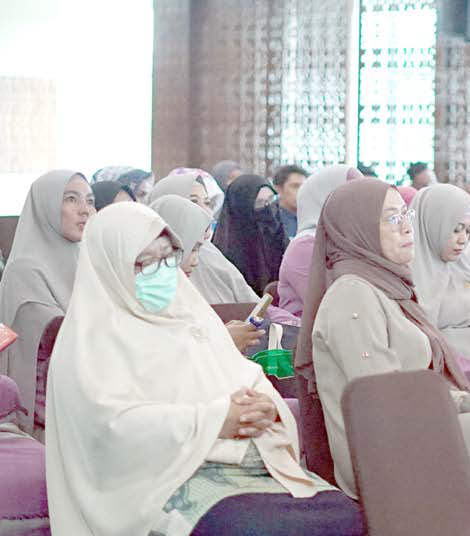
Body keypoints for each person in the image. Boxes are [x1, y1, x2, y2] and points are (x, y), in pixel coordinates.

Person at [44, 203, 363, 535]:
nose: (163, 271)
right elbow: (109, 430)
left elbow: (243, 374)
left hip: (241, 461)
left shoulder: (190, 313)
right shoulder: (89, 341)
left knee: (341, 514)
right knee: (250, 527)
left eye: (169, 258)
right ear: (109, 266)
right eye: (145, 263)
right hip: (161, 479)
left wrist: (265, 408)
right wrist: (215, 420)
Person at [295, 178, 470, 534]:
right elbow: (384, 401)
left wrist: (468, 400)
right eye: (391, 219)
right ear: (358, 230)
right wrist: (468, 403)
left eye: (405, 214)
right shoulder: (353, 296)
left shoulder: (385, 287)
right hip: (391, 448)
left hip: (420, 425)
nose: (407, 226)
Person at [0, 170, 94, 436]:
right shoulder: (25, 269)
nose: (84, 210)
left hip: (89, 398)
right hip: (49, 414)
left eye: (90, 200)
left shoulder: (85, 259)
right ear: (46, 206)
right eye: (71, 199)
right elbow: (55, 335)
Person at [149, 173, 297, 326]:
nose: (205, 211)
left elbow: (253, 303)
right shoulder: (154, 276)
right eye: (193, 201)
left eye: (207, 203)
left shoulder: (210, 253)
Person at [151, 195, 265, 353]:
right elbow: (168, 359)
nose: (196, 261)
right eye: (192, 248)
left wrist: (221, 333)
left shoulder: (181, 291)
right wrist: (223, 341)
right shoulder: (150, 300)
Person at [411, 184, 470, 381]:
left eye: (468, 231)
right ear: (432, 225)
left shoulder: (467, 270)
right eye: (456, 230)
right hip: (451, 383)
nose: (463, 240)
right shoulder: (410, 278)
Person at [278, 165, 362, 318]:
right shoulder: (305, 246)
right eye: (350, 197)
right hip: (306, 336)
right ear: (326, 199)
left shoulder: (346, 240)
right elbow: (333, 305)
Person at [214, 175, 288, 295]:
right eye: (259, 203)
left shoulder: (281, 242)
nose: (268, 208)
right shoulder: (223, 258)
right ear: (241, 208)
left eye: (271, 200)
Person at [273, 164, 309, 240]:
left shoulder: (312, 218)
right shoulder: (270, 221)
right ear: (278, 189)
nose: (301, 191)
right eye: (295, 186)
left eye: (304, 186)